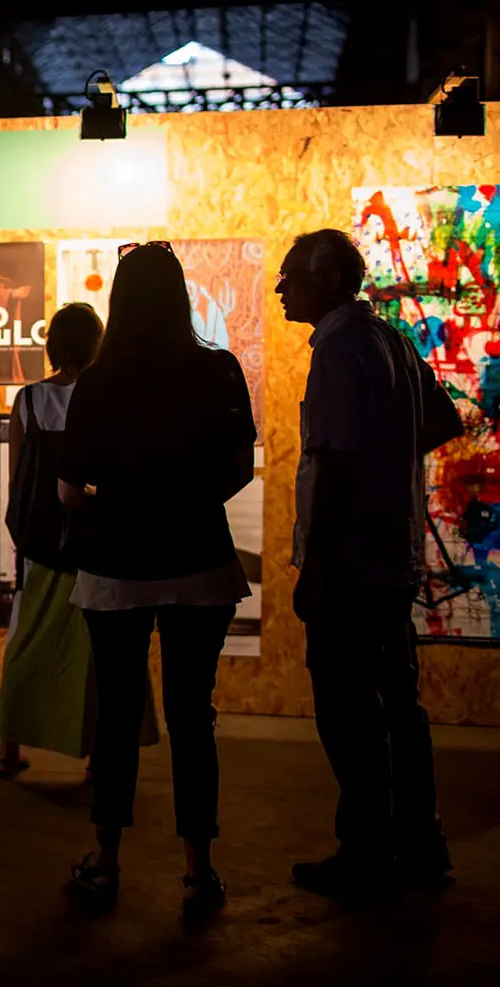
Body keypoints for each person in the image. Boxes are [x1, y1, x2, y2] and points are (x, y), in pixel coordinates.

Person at [57, 242, 256, 919]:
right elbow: (239, 468)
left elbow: (69, 490)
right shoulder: (217, 369)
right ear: (179, 297)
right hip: (200, 563)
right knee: (193, 717)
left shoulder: (97, 381)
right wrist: (186, 502)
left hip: (114, 569)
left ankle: (106, 861)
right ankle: (199, 872)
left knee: (116, 716)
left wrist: (117, 500)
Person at [280, 229, 462, 896]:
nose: (280, 288)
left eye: (291, 276)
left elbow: (332, 462)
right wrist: (391, 460)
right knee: (398, 703)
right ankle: (420, 840)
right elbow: (443, 420)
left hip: (349, 563)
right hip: (392, 555)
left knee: (347, 709)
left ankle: (364, 853)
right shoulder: (391, 339)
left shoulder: (337, 350)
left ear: (327, 281)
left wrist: (317, 569)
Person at [0, 304, 152, 781]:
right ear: (97, 344)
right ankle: (98, 757)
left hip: (41, 543)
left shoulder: (29, 400)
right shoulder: (111, 396)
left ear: (53, 345)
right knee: (98, 650)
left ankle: (8, 748)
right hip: (100, 540)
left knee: (26, 640)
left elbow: (19, 477)